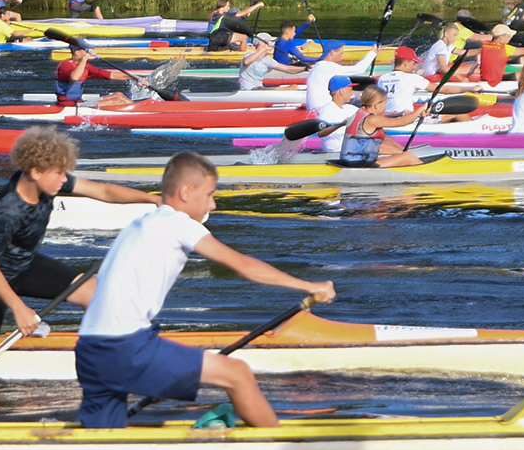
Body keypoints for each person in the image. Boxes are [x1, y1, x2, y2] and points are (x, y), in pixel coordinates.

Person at [74, 152, 334, 428]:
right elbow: (244, 266)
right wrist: (309, 285)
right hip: (123, 348)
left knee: (104, 436)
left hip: (90, 349)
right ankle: (285, 449)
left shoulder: (142, 223)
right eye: (209, 194)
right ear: (186, 192)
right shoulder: (178, 223)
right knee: (237, 373)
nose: (213, 203)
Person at [0, 126, 159, 337]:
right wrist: (19, 308)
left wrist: (153, 199)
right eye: (58, 173)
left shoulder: (46, 181)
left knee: (93, 292)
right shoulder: (8, 213)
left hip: (24, 266)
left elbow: (103, 191)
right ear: (36, 172)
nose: (64, 179)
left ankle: (96, 349)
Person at [331, 84, 427, 167]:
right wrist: (420, 109)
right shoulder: (372, 119)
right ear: (377, 105)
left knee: (397, 152)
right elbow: (402, 122)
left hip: (352, 161)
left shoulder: (358, 113)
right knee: (408, 156)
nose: (385, 107)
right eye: (385, 103)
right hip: (358, 165)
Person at [54, 48, 138, 107]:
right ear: (77, 52)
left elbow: (111, 75)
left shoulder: (85, 66)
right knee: (118, 101)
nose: (89, 52)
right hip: (68, 105)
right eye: (86, 50)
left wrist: (136, 78)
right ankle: (138, 113)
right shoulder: (66, 65)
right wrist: (85, 59)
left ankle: (138, 110)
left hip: (79, 102)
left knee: (119, 95)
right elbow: (75, 77)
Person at [303, 42, 348, 114]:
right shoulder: (326, 66)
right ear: (332, 52)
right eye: (341, 54)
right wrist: (372, 52)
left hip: (317, 108)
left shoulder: (320, 65)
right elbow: (359, 69)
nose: (342, 58)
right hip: (320, 110)